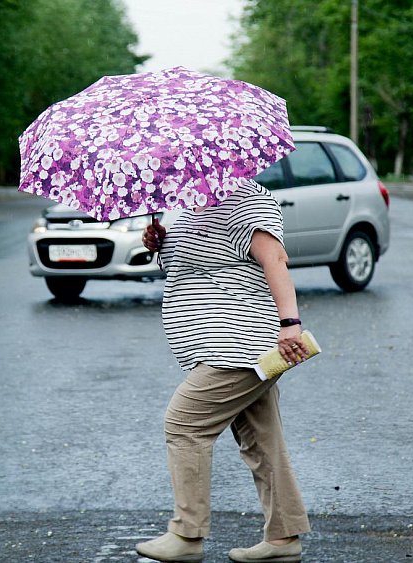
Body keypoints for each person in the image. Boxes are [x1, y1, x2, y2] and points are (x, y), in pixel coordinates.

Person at [135, 178, 312, 563]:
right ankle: (283, 538)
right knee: (261, 437)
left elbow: (275, 260)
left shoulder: (248, 199)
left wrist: (290, 325)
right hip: (217, 344)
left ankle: (187, 534)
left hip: (241, 346)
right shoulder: (185, 202)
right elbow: (202, 263)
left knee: (184, 424)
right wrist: (159, 241)